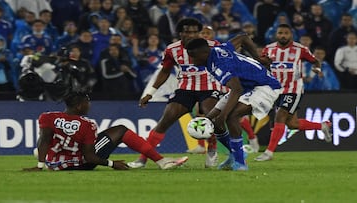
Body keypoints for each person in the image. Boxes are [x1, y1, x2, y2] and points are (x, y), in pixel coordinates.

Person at [127, 18, 261, 169]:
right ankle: (142, 159)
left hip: (210, 88)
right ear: (180, 33)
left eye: (194, 32)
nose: (190, 35)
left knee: (211, 119)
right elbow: (165, 71)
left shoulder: (213, 46)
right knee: (164, 121)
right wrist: (150, 93)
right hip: (185, 89)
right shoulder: (172, 49)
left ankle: (214, 150)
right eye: (186, 32)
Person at [23, 91, 188, 171]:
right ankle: (161, 161)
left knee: (44, 146)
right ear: (80, 105)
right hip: (80, 164)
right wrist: (112, 164)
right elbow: (89, 157)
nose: (90, 105)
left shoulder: (47, 116)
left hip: (55, 164)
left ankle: (48, 159)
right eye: (88, 102)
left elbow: (44, 140)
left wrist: (40, 165)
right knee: (121, 130)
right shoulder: (87, 124)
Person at [185, 37, 282, 170]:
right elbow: (243, 38)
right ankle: (235, 154)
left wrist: (223, 116)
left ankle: (241, 163)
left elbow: (236, 89)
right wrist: (258, 58)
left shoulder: (220, 64)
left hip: (264, 86)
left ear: (203, 54)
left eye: (193, 56)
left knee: (231, 116)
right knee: (212, 120)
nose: (191, 61)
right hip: (248, 87)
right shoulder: (218, 50)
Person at [254, 24, 332, 162]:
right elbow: (262, 65)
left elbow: (315, 61)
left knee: (280, 116)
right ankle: (322, 126)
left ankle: (269, 152)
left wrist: (317, 70)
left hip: (293, 89)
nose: (283, 35)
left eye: (286, 33)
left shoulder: (300, 49)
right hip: (276, 90)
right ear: (276, 34)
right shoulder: (269, 49)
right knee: (292, 124)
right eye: (280, 33)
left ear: (291, 35)